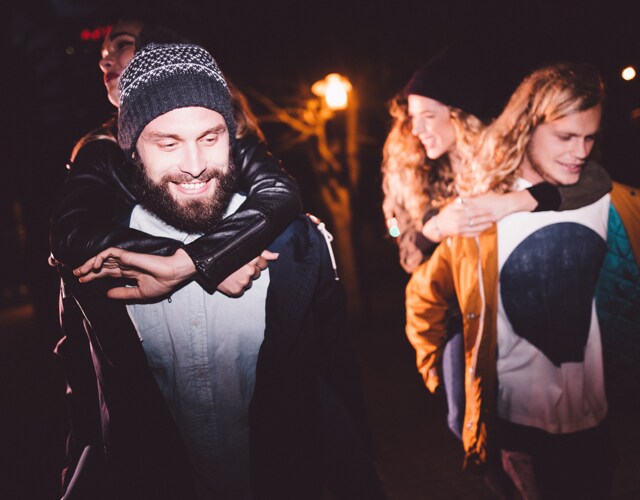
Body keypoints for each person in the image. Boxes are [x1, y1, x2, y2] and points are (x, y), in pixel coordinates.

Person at [54, 42, 385, 500]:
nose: (194, 166)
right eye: (168, 143)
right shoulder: (101, 265)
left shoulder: (296, 245)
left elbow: (335, 381)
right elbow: (87, 408)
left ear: (233, 137)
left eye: (210, 138)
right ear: (132, 151)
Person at [405, 61, 637, 498]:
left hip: (595, 422)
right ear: (528, 127)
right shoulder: (481, 213)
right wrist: (436, 366)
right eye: (566, 137)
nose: (581, 151)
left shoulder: (608, 200)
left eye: (590, 138)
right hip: (519, 428)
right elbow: (424, 292)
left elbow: (599, 181)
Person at [381, 46, 612, 439]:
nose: (415, 129)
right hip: (456, 319)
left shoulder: (500, 160)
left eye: (428, 116)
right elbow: (408, 258)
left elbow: (593, 179)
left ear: (458, 114)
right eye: (412, 117)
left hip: (509, 315)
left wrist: (515, 201)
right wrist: (435, 229)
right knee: (470, 427)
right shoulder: (409, 174)